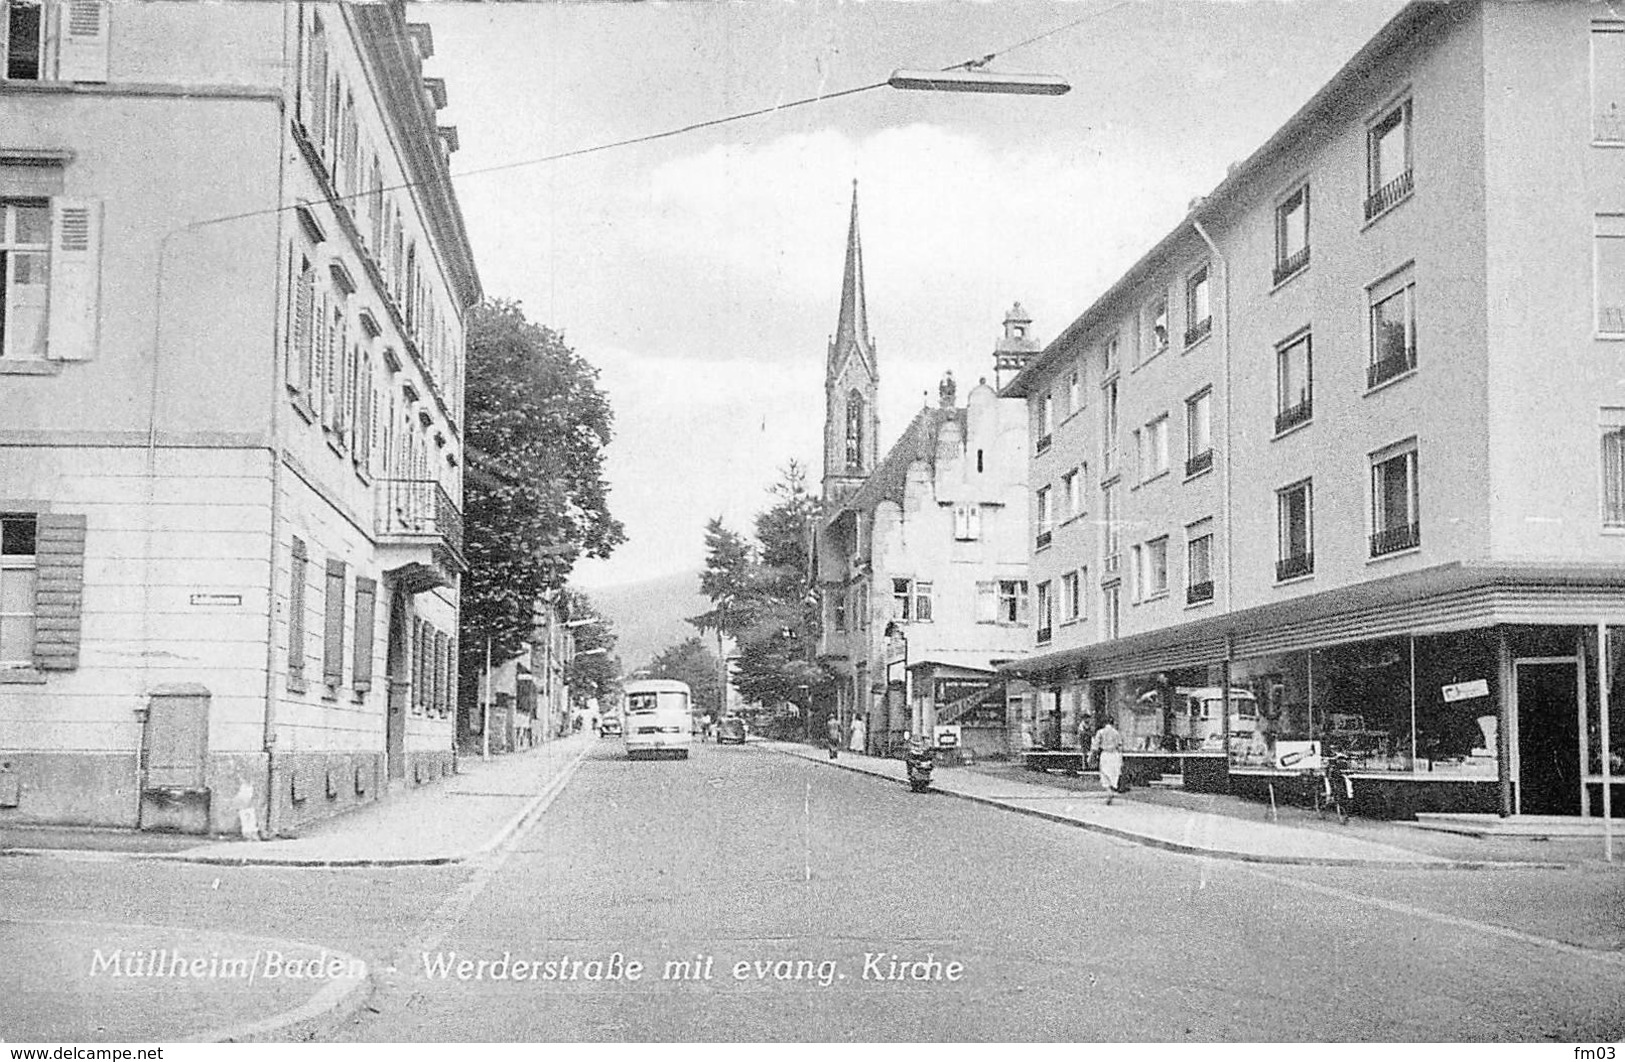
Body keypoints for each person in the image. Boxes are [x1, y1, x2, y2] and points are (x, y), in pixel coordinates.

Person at [1089, 716, 1125, 805]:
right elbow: (1120, 746)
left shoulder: (1100, 732)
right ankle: (1112, 789)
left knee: (1105, 774)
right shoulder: (1116, 733)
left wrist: (1091, 757)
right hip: (1115, 755)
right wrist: (1121, 758)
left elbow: (1095, 746)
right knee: (1114, 773)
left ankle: (1109, 791)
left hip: (1105, 754)